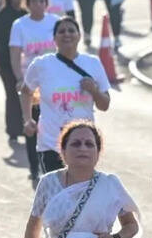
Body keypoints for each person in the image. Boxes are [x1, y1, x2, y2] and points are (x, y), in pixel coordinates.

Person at [22, 15, 112, 175]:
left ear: (79, 35)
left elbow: (104, 105)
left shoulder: (93, 63)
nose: (67, 34)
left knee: (80, 188)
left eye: (71, 30)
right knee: (57, 188)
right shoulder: (42, 64)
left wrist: (94, 91)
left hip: (83, 143)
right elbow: (26, 91)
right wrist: (28, 120)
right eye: (61, 31)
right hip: (51, 143)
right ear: (54, 38)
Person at [11, 0, 60, 180]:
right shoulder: (20, 25)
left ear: (46, 4)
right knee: (32, 122)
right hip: (31, 83)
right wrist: (19, 77)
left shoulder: (55, 22)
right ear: (27, 4)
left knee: (53, 121)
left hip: (54, 82)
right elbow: (15, 53)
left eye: (41, 1)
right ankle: (34, 166)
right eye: (34, 1)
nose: (38, 4)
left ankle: (58, 162)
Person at [0, 0, 30, 143]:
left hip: (26, 63)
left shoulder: (27, 16)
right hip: (6, 62)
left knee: (29, 96)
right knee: (13, 95)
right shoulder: (1, 16)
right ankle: (13, 130)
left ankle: (28, 126)